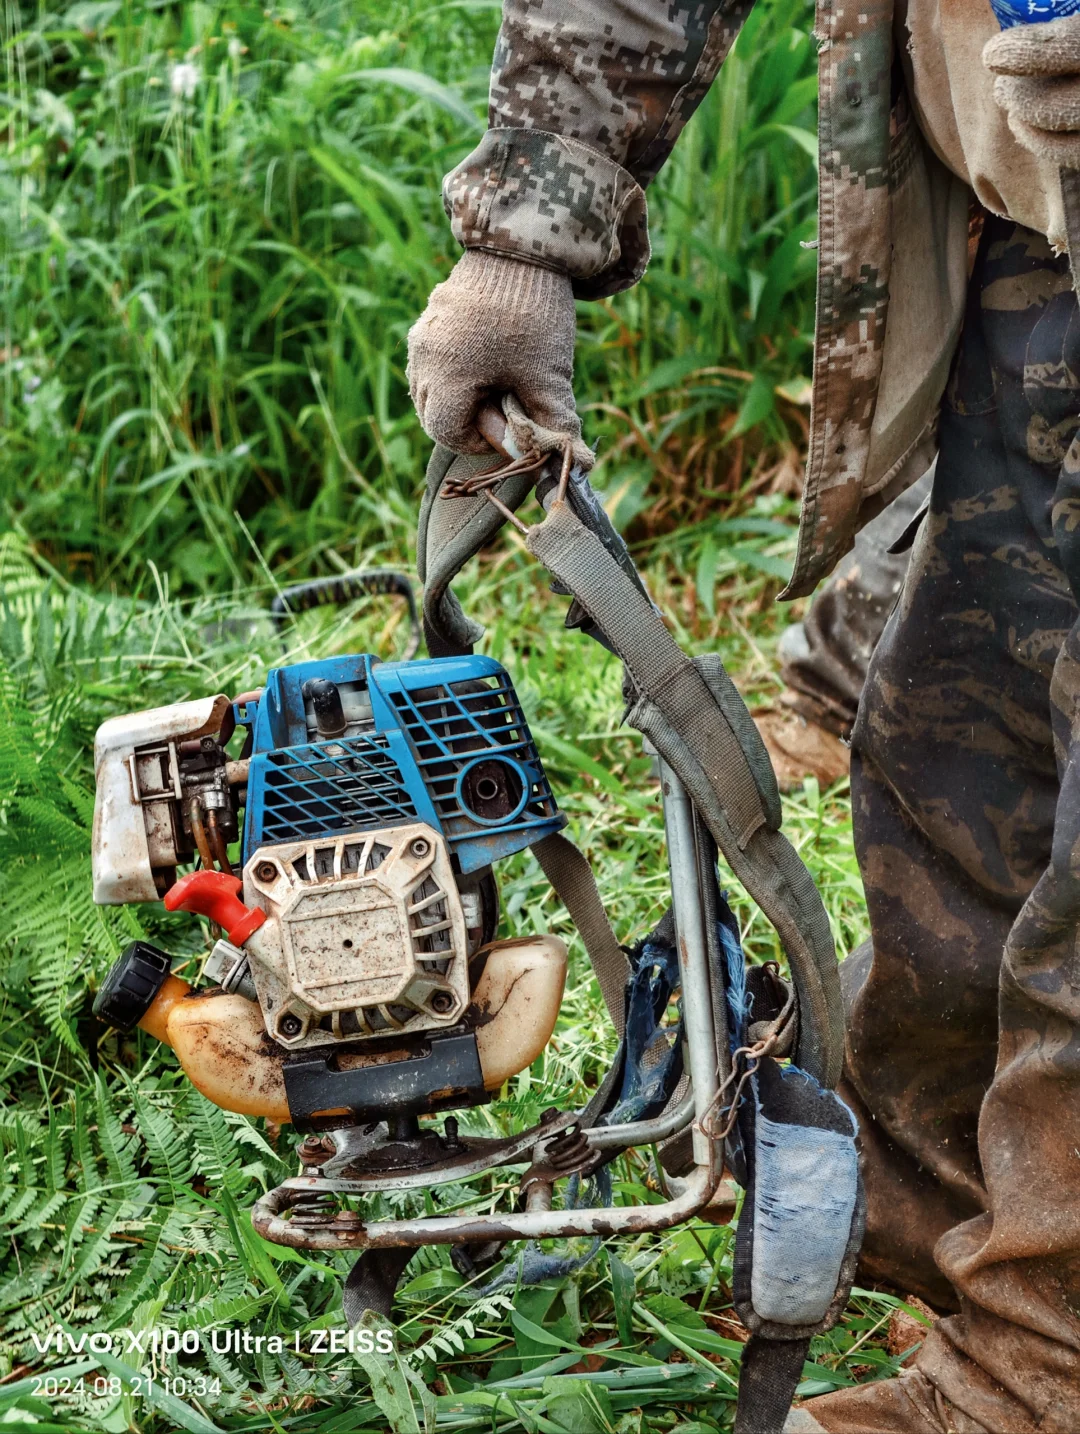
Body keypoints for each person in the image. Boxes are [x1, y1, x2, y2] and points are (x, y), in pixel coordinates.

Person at [404, 5, 1080, 1429]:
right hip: (1033, 212)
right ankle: (932, 1221)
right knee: (964, 742)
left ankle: (1043, 1365)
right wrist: (522, 231)